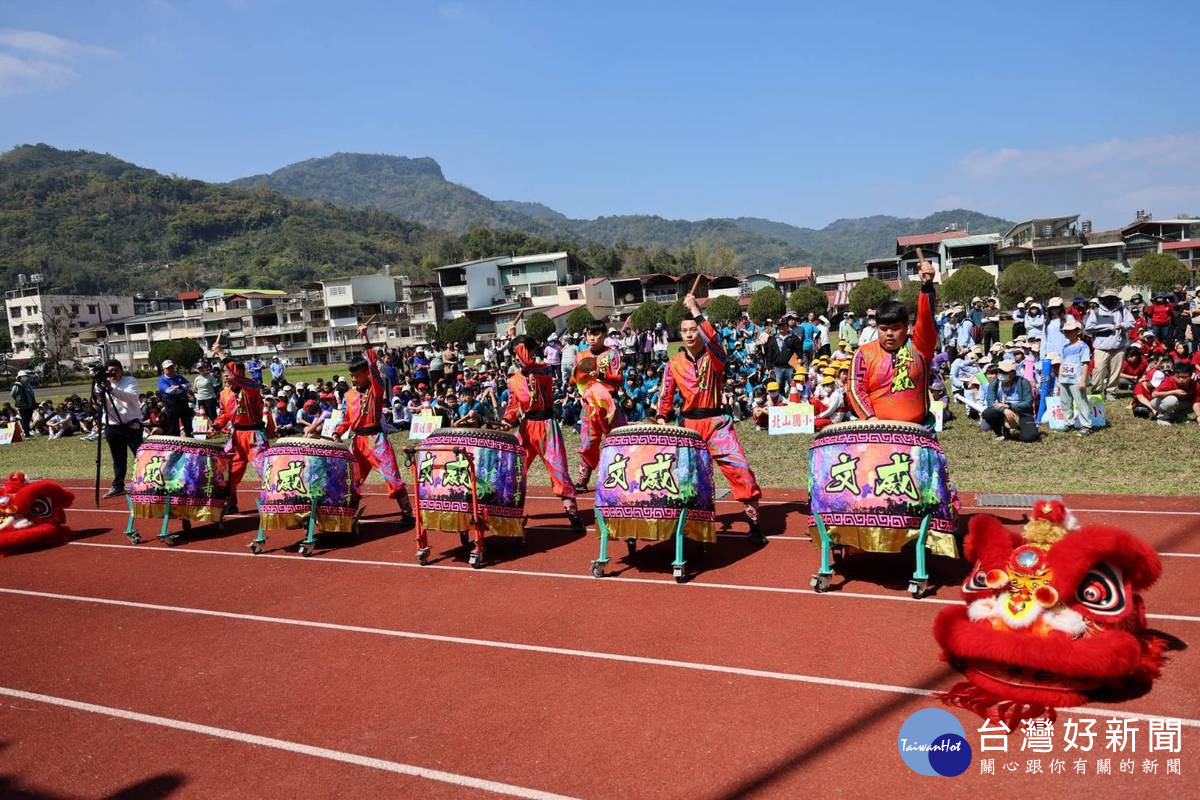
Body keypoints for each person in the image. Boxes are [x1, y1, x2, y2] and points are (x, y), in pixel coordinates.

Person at [655, 292, 765, 545]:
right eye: (685, 330)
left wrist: (695, 308)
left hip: (717, 423)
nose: (690, 334)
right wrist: (661, 417)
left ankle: (753, 521)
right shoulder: (673, 363)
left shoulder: (714, 357)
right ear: (679, 334)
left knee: (741, 470)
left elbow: (714, 340)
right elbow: (666, 394)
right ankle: (694, 525)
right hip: (687, 427)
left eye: (694, 329)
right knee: (687, 477)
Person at [500, 328, 584, 532]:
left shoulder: (544, 370)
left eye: (522, 352)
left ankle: (572, 512)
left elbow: (530, 365)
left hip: (547, 427)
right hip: (526, 428)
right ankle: (507, 513)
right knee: (514, 470)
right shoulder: (513, 380)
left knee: (559, 470)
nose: (519, 359)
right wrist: (507, 420)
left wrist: (515, 340)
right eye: (516, 355)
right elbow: (513, 406)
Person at [333, 326, 415, 527]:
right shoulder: (349, 395)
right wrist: (338, 431)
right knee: (351, 480)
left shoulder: (375, 390)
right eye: (351, 376)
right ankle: (348, 513)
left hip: (376, 441)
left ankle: (407, 513)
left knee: (393, 478)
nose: (354, 379)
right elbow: (346, 419)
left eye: (357, 375)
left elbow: (372, 364)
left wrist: (364, 338)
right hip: (358, 444)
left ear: (366, 375)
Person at [847, 259, 937, 424]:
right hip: (879, 429)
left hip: (919, 428)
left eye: (895, 328)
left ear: (907, 327)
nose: (889, 333)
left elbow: (926, 319)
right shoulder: (863, 353)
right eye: (883, 328)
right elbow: (855, 388)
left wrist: (927, 287)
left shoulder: (920, 348)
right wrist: (871, 418)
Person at [211, 341, 273, 515]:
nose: (226, 375)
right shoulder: (224, 393)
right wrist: (216, 425)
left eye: (229, 371)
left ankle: (275, 501)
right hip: (236, 435)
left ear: (240, 373)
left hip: (254, 435)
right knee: (230, 472)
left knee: (264, 469)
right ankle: (231, 503)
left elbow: (236, 377)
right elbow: (224, 413)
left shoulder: (251, 386)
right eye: (224, 372)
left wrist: (221, 353)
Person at [576, 321, 628, 488]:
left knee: (619, 440)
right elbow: (574, 380)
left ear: (605, 335)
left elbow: (620, 379)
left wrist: (601, 375)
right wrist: (577, 377)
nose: (592, 337)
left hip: (610, 403)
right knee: (588, 443)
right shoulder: (581, 355)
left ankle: (621, 477)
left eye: (596, 334)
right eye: (589, 334)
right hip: (589, 406)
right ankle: (582, 480)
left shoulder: (613, 354)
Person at [95, 360, 143, 498]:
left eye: (116, 370)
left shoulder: (130, 381)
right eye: (110, 371)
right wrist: (100, 387)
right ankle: (118, 486)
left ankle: (145, 482)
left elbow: (130, 397)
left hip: (131, 425)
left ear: (121, 370)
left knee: (140, 455)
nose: (113, 373)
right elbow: (98, 400)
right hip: (112, 426)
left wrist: (111, 389)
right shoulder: (101, 385)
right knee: (118, 458)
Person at [1085, 289, 1134, 397]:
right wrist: (1109, 327)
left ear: (1116, 299)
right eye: (1107, 298)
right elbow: (1088, 328)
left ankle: (1111, 392)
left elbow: (1132, 323)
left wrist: (1123, 325)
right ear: (1103, 299)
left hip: (1118, 346)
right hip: (1101, 347)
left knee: (1115, 371)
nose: (1110, 300)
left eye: (1112, 298)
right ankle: (1096, 391)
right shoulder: (1096, 311)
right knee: (1099, 369)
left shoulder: (1122, 310)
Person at [981, 360, 1038, 443]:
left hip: (1021, 413)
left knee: (1028, 437)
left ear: (1013, 373)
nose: (1001, 374)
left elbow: (1028, 403)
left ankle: (1022, 426)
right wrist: (1004, 410)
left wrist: (1009, 406)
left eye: (1005, 372)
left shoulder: (1023, 382)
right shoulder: (994, 383)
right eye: (1000, 371)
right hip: (1001, 411)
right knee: (985, 421)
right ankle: (1000, 432)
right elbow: (990, 403)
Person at [1057, 317, 1093, 436]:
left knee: (1081, 402)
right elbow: (1062, 363)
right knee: (1065, 402)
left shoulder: (1083, 346)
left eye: (1069, 331)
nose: (1066, 333)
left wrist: (1083, 381)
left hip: (1077, 379)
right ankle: (1069, 423)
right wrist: (1059, 380)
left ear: (1077, 331)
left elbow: (1085, 364)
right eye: (1065, 331)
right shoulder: (1064, 347)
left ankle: (1086, 425)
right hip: (1064, 379)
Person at [157, 359, 194, 437]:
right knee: (173, 424)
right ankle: (175, 443)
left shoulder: (179, 377)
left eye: (172, 367)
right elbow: (169, 390)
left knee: (187, 422)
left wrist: (178, 386)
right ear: (164, 369)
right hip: (171, 403)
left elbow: (189, 385)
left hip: (183, 402)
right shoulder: (162, 380)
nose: (171, 370)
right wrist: (181, 387)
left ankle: (190, 439)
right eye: (168, 368)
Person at [764, 318, 803, 388]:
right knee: (778, 387)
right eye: (779, 326)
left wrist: (799, 362)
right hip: (777, 367)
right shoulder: (773, 338)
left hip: (790, 367)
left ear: (787, 326)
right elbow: (769, 354)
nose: (781, 327)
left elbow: (799, 351)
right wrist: (769, 367)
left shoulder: (794, 338)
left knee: (793, 387)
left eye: (783, 325)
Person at [10, 370, 36, 437]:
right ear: (19, 378)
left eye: (25, 376)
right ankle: (26, 434)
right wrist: (18, 400)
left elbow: (32, 394)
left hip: (30, 405)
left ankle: (27, 432)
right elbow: (13, 394)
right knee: (24, 419)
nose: (24, 378)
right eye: (22, 377)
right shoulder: (17, 385)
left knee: (28, 419)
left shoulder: (28, 384)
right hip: (22, 406)